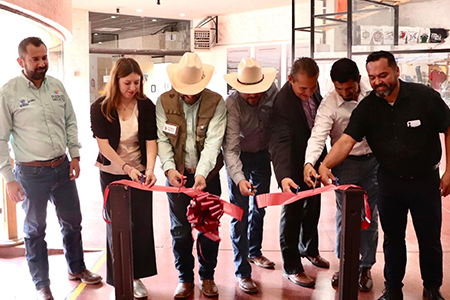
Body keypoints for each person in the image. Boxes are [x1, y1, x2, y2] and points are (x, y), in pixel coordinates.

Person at [318, 50, 450, 300]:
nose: (378, 81)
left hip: (425, 182)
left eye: (383, 75)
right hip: (389, 181)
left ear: (396, 71)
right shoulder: (368, 108)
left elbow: (448, 127)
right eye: (373, 77)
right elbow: (347, 141)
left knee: (429, 238)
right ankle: (393, 290)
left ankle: (432, 288)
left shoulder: (424, 97)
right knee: (392, 239)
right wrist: (325, 165)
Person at [0, 37, 102, 300]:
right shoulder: (8, 93)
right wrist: (9, 178)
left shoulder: (56, 87)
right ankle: (42, 283)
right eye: (35, 59)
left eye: (44, 57)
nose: (42, 63)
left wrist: (76, 155)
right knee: (35, 230)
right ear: (21, 61)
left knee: (73, 222)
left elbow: (70, 120)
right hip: (30, 173)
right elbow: (0, 139)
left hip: (63, 168)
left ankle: (77, 268)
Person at [303, 58, 378, 292]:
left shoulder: (373, 95)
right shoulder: (329, 104)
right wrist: (309, 162)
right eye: (339, 89)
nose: (345, 93)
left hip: (374, 162)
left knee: (369, 216)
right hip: (344, 165)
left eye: (349, 88)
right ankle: (345, 264)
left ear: (358, 80)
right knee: (344, 216)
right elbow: (318, 136)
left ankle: (365, 266)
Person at [156, 52, 226, 299]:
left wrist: (203, 174)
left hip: (208, 178)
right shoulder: (164, 102)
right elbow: (163, 140)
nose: (189, 95)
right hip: (177, 178)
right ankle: (184, 278)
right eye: (184, 90)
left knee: (208, 230)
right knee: (180, 231)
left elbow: (214, 143)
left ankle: (208, 277)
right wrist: (169, 169)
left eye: (194, 89)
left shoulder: (217, 102)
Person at [90, 57, 158, 299]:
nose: (132, 88)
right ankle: (119, 278)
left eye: (137, 83)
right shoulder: (100, 107)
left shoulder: (147, 106)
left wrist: (149, 168)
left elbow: (151, 140)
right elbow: (104, 146)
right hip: (112, 173)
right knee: (116, 227)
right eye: (127, 83)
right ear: (116, 81)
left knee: (140, 224)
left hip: (140, 174)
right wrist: (126, 167)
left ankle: (136, 277)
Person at [269, 57, 329, 289]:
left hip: (313, 160)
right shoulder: (282, 103)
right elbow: (280, 141)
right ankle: (291, 265)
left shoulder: (312, 89)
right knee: (292, 212)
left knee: (313, 206)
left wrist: (320, 160)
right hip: (293, 163)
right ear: (290, 79)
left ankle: (310, 249)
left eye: (313, 87)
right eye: (303, 88)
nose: (309, 92)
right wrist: (284, 176)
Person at [223, 58, 278, 294]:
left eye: (257, 91)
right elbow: (231, 148)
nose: (253, 95)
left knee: (260, 206)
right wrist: (239, 178)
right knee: (239, 213)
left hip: (263, 155)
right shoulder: (232, 104)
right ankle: (242, 271)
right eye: (248, 92)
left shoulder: (272, 93)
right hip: (240, 157)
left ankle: (255, 252)